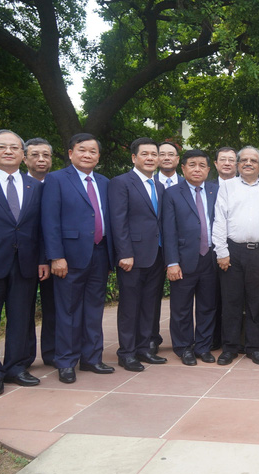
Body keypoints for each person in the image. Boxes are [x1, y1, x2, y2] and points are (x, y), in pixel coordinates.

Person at [42, 133, 115, 384]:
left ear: (98, 156)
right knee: (68, 311)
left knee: (94, 310)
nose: (87, 155)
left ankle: (92, 358)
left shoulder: (105, 182)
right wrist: (56, 256)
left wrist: (111, 257)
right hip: (69, 258)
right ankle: (65, 361)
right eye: (82, 150)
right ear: (71, 153)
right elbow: (49, 221)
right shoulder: (56, 179)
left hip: (100, 253)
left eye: (93, 151)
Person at [212, 146, 259, 366]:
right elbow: (219, 220)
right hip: (233, 252)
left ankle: (254, 347)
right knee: (231, 301)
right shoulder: (227, 188)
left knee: (256, 301)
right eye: (243, 160)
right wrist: (222, 252)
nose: (248, 163)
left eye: (253, 160)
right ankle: (230, 347)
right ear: (238, 165)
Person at [0, 130, 46, 395]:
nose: (8, 151)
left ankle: (15, 367)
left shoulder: (35, 186)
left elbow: (42, 228)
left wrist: (44, 259)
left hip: (26, 262)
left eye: (14, 147)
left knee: (21, 318)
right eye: (2, 146)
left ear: (23, 155)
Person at [109, 137, 167, 372]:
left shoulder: (159, 186)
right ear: (134, 157)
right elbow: (118, 220)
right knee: (130, 306)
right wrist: (124, 252)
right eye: (145, 154)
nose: (151, 158)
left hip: (156, 255)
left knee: (149, 306)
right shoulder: (121, 183)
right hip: (131, 256)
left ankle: (144, 348)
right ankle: (127, 352)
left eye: (154, 154)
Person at [162, 150, 218, 365]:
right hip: (184, 260)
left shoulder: (215, 190)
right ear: (183, 168)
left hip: (210, 258)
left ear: (208, 169)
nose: (197, 169)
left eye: (202, 165)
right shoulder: (173, 193)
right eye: (192, 165)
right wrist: (172, 262)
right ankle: (183, 347)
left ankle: (203, 346)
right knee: (181, 307)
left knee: (207, 306)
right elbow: (168, 230)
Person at [23, 138, 57, 367]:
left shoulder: (58, 184)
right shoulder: (16, 184)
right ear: (25, 158)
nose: (41, 159)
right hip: (21, 258)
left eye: (45, 155)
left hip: (53, 257)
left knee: (53, 308)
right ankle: (23, 358)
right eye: (35, 155)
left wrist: (49, 257)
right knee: (23, 310)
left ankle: (52, 353)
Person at [150, 141, 183, 353]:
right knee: (152, 296)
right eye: (163, 154)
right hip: (154, 249)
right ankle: (151, 337)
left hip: (184, 249)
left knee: (183, 297)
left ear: (178, 159)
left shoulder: (188, 182)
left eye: (171, 154)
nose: (167, 158)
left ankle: (183, 339)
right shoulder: (148, 182)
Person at [210, 147, 237, 351]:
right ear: (216, 164)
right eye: (223, 160)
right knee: (213, 296)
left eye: (231, 160)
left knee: (237, 297)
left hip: (239, 250)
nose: (227, 163)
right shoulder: (207, 189)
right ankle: (213, 338)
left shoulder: (246, 187)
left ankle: (237, 339)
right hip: (211, 251)